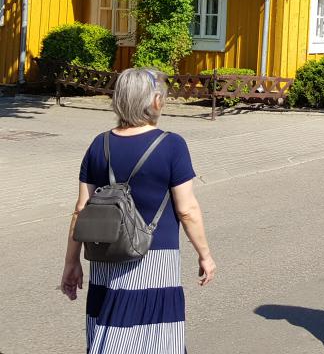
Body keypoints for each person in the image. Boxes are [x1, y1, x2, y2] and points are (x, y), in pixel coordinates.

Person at [61, 69, 216, 353]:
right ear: (156, 102)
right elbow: (187, 210)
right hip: (155, 259)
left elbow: (80, 211)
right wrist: (205, 254)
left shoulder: (99, 144)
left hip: (105, 256)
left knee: (111, 330)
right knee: (156, 340)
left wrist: (71, 263)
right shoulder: (172, 145)